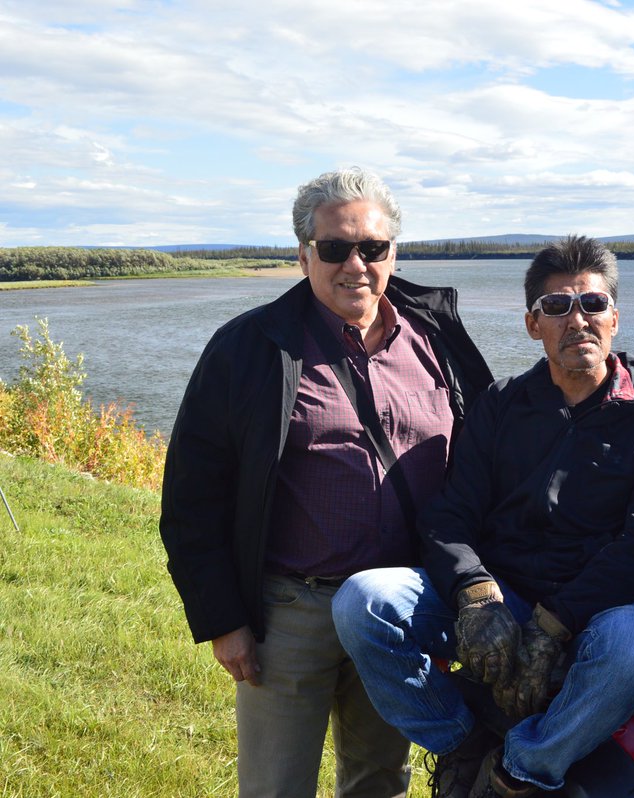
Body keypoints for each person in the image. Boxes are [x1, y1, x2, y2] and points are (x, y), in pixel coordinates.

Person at [159, 167, 493, 797]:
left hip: (397, 609)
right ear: (303, 254)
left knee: (379, 781)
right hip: (291, 613)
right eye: (335, 248)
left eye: (372, 248)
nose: (355, 265)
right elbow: (191, 499)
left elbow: (483, 459)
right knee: (276, 785)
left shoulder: (436, 335)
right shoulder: (247, 348)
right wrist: (223, 618)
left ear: (393, 251)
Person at [332, 235, 634, 798]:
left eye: (593, 305)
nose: (579, 321)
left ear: (615, 319)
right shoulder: (500, 406)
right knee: (365, 602)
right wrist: (476, 596)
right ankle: (461, 744)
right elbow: (451, 514)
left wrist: (556, 622)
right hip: (503, 596)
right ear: (533, 324)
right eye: (558, 307)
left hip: (597, 610)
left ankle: (521, 769)